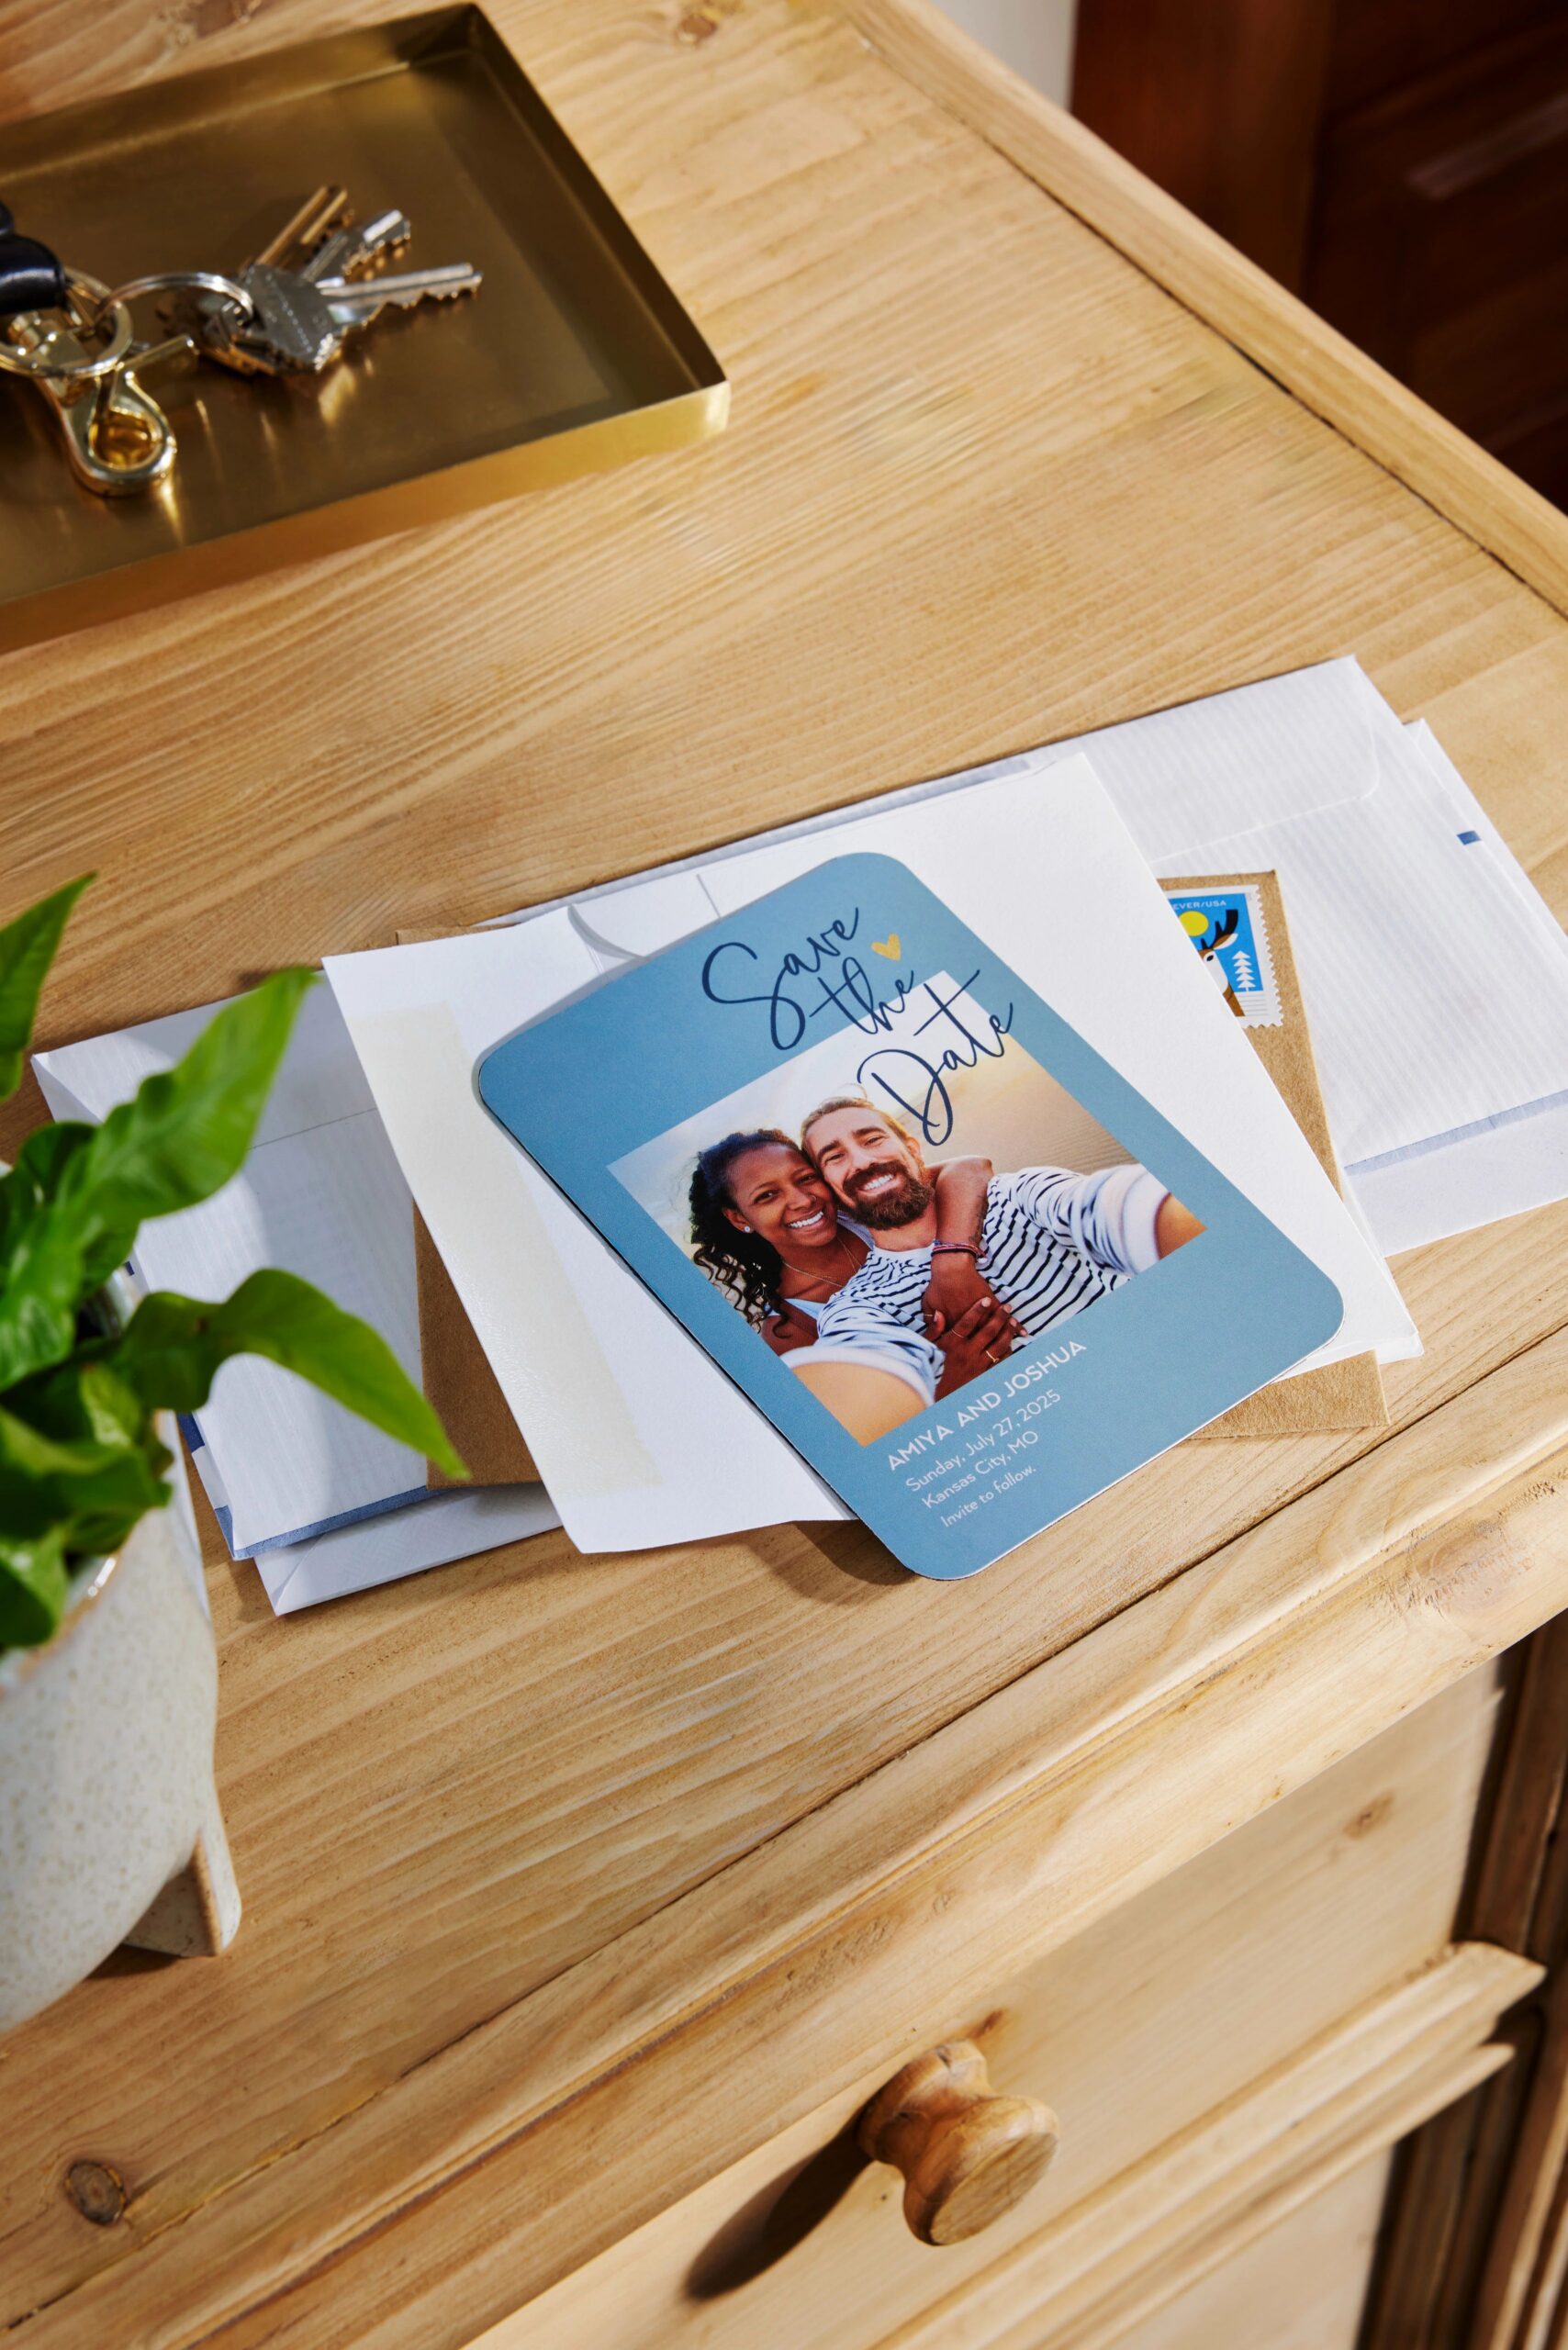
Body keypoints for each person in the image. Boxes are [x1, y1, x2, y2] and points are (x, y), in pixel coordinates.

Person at [789, 1094, 1204, 1439]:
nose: (861, 1162)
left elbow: (1115, 1205)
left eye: (873, 1139)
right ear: (829, 1187)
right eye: (835, 1157)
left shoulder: (1017, 1195)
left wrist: (1192, 1218)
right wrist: (940, 1395)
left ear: (913, 1149)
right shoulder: (860, 1307)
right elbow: (861, 1373)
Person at [687, 1131, 1021, 1407]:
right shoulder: (791, 1330)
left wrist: (951, 1263)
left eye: (806, 1178)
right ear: (739, 1218)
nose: (802, 1200)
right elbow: (871, 1428)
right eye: (768, 1195)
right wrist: (949, 1378)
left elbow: (970, 1167)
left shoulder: (867, 1214)